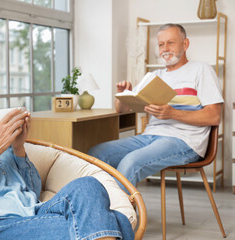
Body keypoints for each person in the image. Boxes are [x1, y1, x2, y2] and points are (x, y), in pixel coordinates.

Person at [0, 59, 134, 240]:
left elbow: (32, 191)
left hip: (35, 212)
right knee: (115, 222)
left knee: (89, 185)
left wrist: (19, 149)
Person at [88, 24, 223, 192]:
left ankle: (121, 217)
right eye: (161, 44)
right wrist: (122, 95)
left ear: (185, 44)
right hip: (149, 137)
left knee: (130, 162)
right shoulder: (154, 76)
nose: (165, 49)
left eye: (170, 43)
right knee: (96, 153)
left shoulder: (201, 70)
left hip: (184, 141)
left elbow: (214, 116)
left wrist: (172, 113)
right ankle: (96, 209)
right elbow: (121, 110)